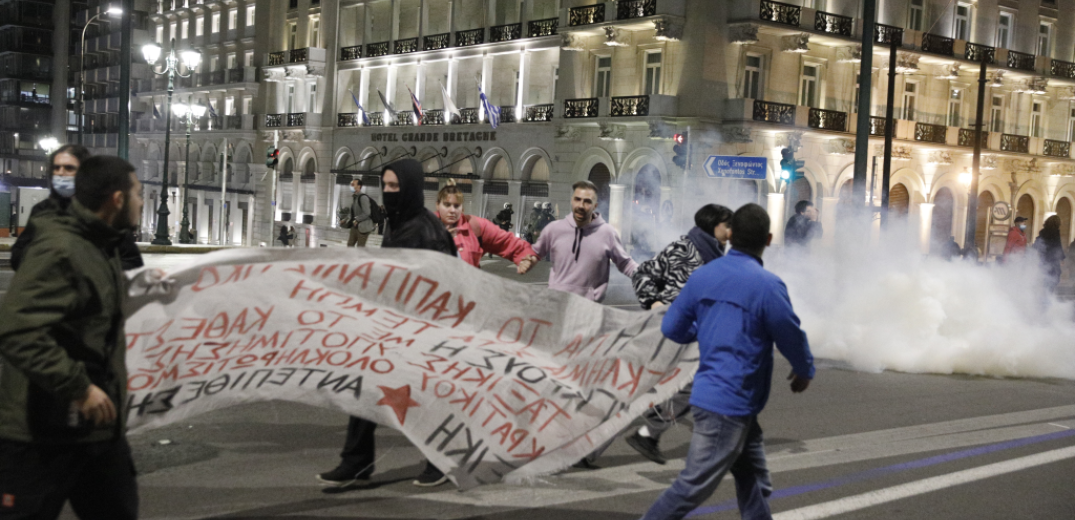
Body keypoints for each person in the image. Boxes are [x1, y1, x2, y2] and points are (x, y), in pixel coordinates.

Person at [640, 203, 815, 520]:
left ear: (730, 235)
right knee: (692, 487)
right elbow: (790, 334)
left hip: (726, 401)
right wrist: (803, 370)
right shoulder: (768, 285)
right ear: (770, 239)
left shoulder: (703, 276)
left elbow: (671, 327)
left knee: (754, 481)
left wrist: (703, 329)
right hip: (730, 405)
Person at [0, 156, 144, 520]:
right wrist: (79, 387)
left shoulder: (104, 245)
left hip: (97, 433)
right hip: (43, 436)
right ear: (117, 199)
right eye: (138, 193)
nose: (142, 202)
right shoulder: (61, 248)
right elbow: (18, 330)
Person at [318, 159, 456, 489]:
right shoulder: (396, 222)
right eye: (387, 186)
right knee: (365, 386)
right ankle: (356, 462)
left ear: (410, 187)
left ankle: (440, 460)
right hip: (390, 326)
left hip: (419, 332)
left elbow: (446, 288)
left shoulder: (429, 232)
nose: (390, 192)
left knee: (423, 397)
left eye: (396, 186)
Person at [626, 204, 734, 464]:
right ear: (713, 225)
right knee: (685, 388)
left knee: (647, 390)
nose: (731, 231)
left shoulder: (717, 255)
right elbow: (643, 273)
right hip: (672, 329)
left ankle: (600, 445)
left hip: (692, 332)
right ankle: (647, 433)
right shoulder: (685, 246)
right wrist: (653, 302)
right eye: (727, 225)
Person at [11, 145, 143, 272]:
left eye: (69, 168)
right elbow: (18, 255)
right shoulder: (43, 210)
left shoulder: (105, 209)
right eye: (56, 168)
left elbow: (132, 262)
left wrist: (88, 269)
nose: (60, 173)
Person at [532, 180, 638, 302]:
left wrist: (645, 275)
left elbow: (625, 263)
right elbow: (534, 252)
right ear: (572, 201)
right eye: (578, 199)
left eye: (587, 201)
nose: (581, 205)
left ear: (594, 206)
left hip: (586, 305)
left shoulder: (606, 233)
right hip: (558, 301)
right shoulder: (555, 228)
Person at [435, 183, 538, 272]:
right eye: (447, 205)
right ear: (438, 205)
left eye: (456, 206)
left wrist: (525, 257)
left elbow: (508, 242)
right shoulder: (423, 226)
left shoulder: (475, 226)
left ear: (462, 208)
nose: (452, 210)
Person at [1034, 215, 1066, 292]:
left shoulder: (1043, 232)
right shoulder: (1055, 232)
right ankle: (1048, 294)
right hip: (1053, 259)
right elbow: (1057, 245)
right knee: (1055, 277)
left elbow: (1038, 244)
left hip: (1044, 258)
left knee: (1046, 276)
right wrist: (1062, 257)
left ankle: (1045, 294)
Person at [342, 177, 377, 247]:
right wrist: (345, 219)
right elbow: (353, 213)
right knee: (349, 245)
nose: (351, 186)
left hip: (363, 228)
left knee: (360, 248)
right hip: (355, 227)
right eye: (351, 184)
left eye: (353, 184)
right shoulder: (355, 198)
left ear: (359, 186)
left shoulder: (363, 197)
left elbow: (367, 213)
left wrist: (356, 219)